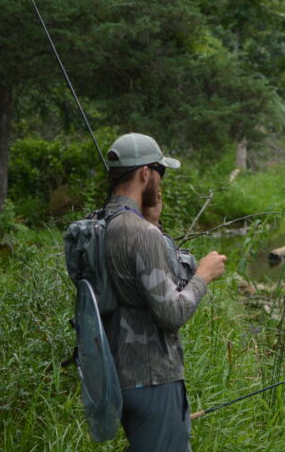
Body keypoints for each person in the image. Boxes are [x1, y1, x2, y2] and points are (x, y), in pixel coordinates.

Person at [102, 132, 227, 451]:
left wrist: (153, 224)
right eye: (161, 172)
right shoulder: (141, 233)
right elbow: (172, 313)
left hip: (119, 373)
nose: (162, 182)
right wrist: (203, 275)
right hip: (153, 378)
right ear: (146, 173)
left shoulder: (104, 223)